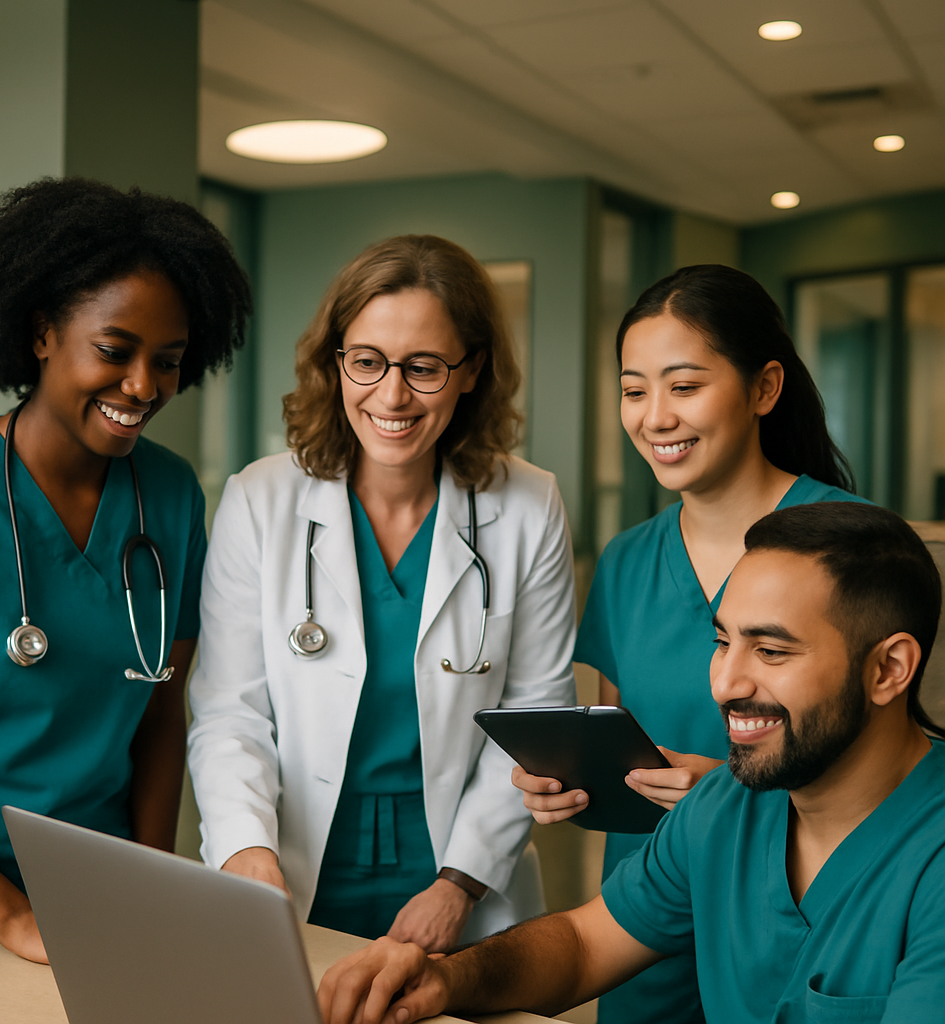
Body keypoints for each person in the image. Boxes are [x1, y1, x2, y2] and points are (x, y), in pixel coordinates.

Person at [320, 501, 945, 1024]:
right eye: (723, 642)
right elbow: (584, 945)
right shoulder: (725, 806)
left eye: (772, 651)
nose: (725, 683)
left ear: (888, 669)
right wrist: (445, 979)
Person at [187, 234, 576, 951]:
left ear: (472, 370)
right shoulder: (260, 499)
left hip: (459, 870)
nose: (391, 395)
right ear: (335, 363)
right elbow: (228, 710)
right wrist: (246, 850)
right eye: (366, 362)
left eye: (424, 367)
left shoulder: (528, 504)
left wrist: (459, 884)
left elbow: (534, 714)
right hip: (293, 862)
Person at [513, 264, 862, 1022]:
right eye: (635, 391)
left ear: (765, 388)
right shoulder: (629, 560)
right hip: (647, 924)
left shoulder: (853, 542)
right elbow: (629, 748)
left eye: (685, 385)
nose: (655, 417)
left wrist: (735, 798)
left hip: (806, 911)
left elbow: (896, 768)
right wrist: (575, 787)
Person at [0, 178, 252, 968]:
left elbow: (162, 710)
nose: (144, 387)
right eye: (115, 351)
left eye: (168, 362)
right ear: (41, 333)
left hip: (100, 909)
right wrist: (15, 919)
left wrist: (149, 880)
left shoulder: (168, 495)